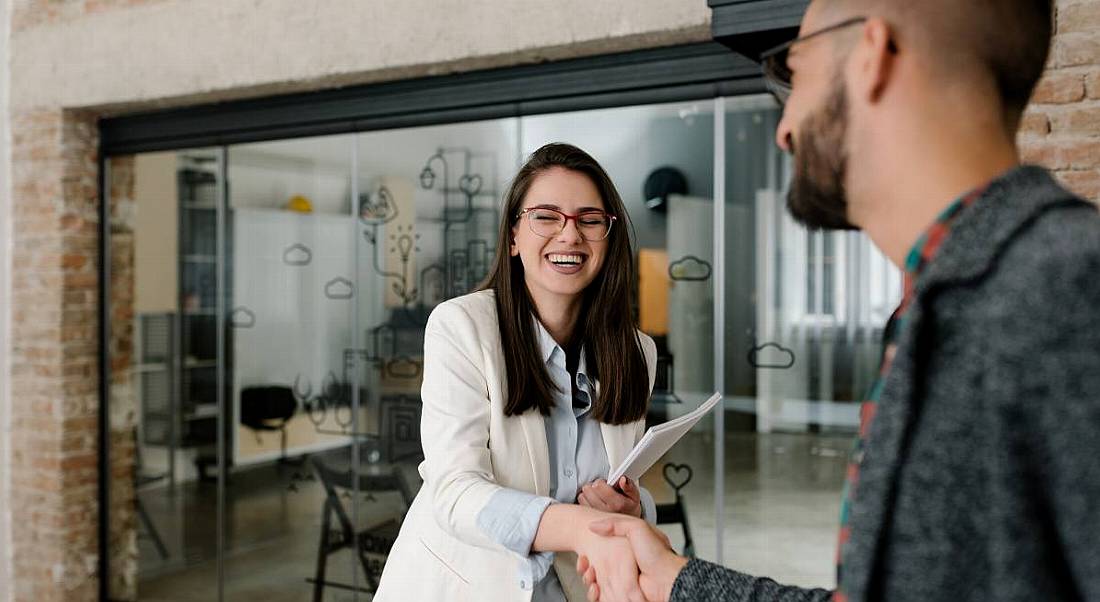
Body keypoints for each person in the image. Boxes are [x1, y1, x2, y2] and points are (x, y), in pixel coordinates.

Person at [577, 0, 1100, 600]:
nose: (784, 126)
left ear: (873, 57)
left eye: (794, 72)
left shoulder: (1069, 290)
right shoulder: (940, 308)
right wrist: (678, 581)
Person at [375, 142, 663, 602]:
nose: (570, 236)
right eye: (546, 217)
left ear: (609, 239)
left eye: (589, 220)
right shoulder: (461, 327)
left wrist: (633, 507)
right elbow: (453, 491)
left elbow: (624, 483)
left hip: (572, 590)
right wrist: (581, 526)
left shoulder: (634, 351)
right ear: (513, 236)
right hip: (464, 588)